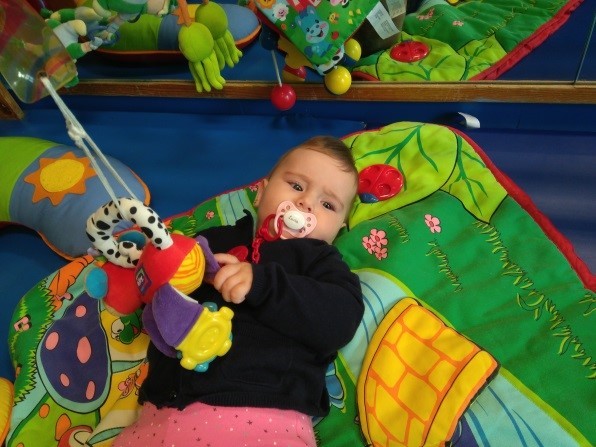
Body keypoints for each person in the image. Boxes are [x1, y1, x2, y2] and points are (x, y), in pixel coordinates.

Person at [113, 135, 364, 447]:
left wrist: (262, 283)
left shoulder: (320, 262)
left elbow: (340, 318)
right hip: (159, 412)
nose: (306, 203)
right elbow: (165, 286)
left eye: (328, 205)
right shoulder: (213, 240)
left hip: (264, 417)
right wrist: (154, 275)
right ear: (260, 193)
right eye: (297, 185)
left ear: (339, 229)